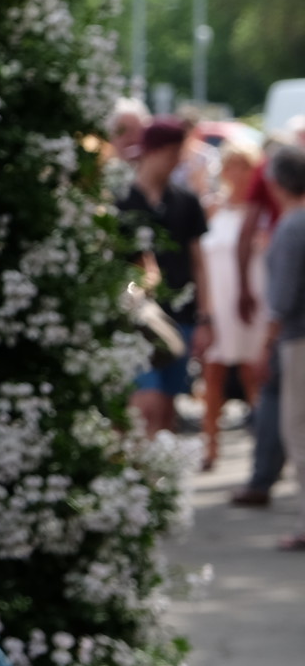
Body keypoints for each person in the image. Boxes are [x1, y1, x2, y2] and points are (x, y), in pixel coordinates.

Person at [119, 117, 210, 438]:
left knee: (167, 407)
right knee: (147, 402)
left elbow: (199, 262)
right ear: (153, 151)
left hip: (180, 314)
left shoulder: (186, 200)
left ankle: (158, 465)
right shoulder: (121, 199)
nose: (176, 162)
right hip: (136, 318)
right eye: (172, 154)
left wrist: (205, 317)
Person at [198, 141, 269, 471]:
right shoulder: (213, 208)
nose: (237, 174)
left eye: (244, 167)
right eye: (232, 166)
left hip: (252, 298)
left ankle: (263, 449)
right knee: (212, 373)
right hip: (219, 299)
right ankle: (210, 445)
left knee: (253, 372)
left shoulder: (261, 212)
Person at [260, 146, 305, 550]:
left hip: (299, 340)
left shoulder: (292, 226)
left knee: (299, 430)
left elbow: (282, 299)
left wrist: (265, 344)